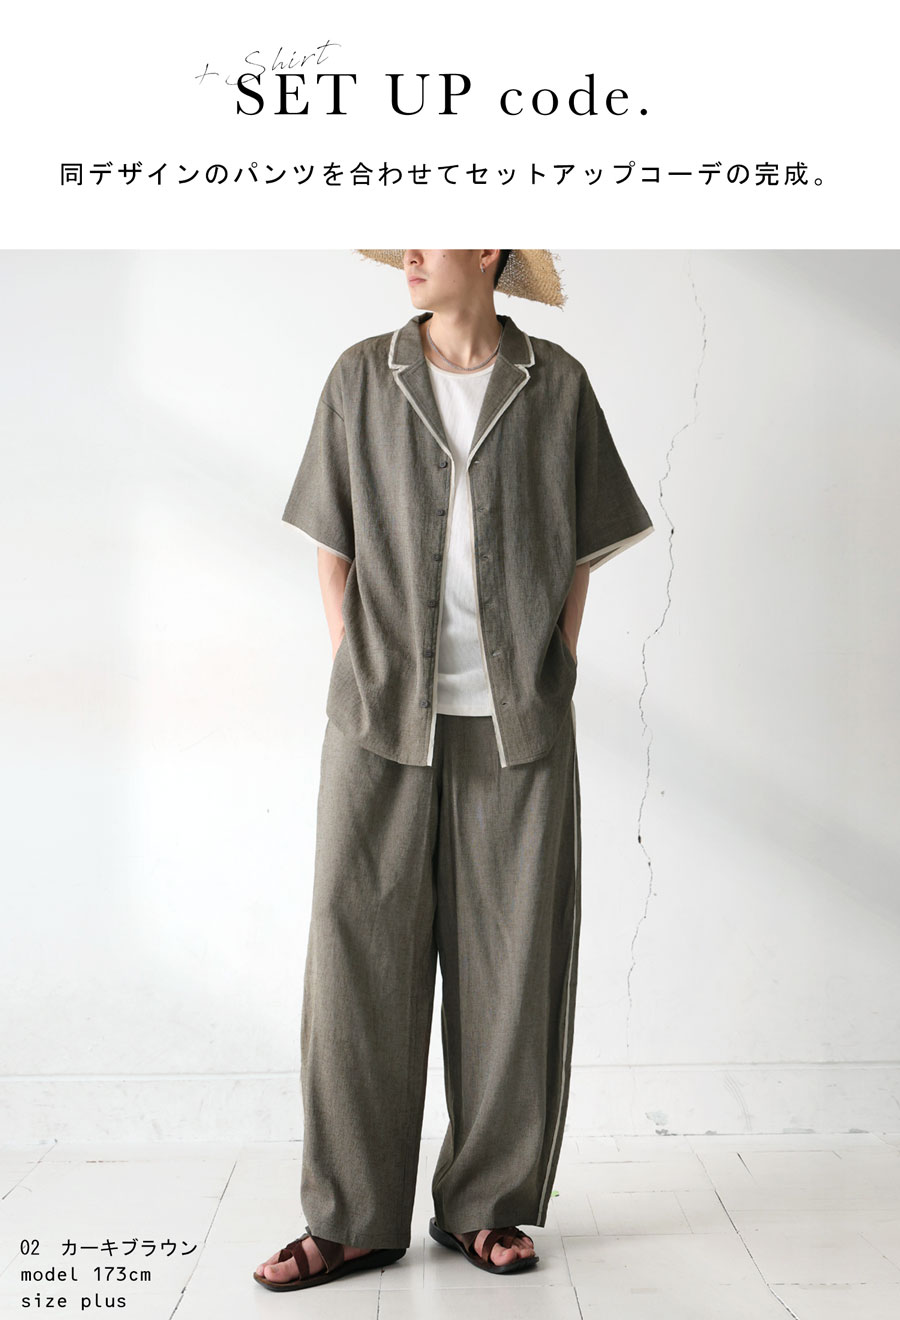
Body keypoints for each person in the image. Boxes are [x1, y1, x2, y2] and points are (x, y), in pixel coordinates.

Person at [254, 250, 655, 1292]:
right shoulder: (362, 375)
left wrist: (553, 661)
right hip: (379, 715)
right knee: (355, 958)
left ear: (488, 248)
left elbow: (584, 544)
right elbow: (332, 543)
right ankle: (351, 1219)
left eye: (432, 231)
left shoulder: (556, 385)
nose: (411, 254)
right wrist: (355, 661)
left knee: (515, 967)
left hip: (518, 722)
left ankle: (487, 1207)